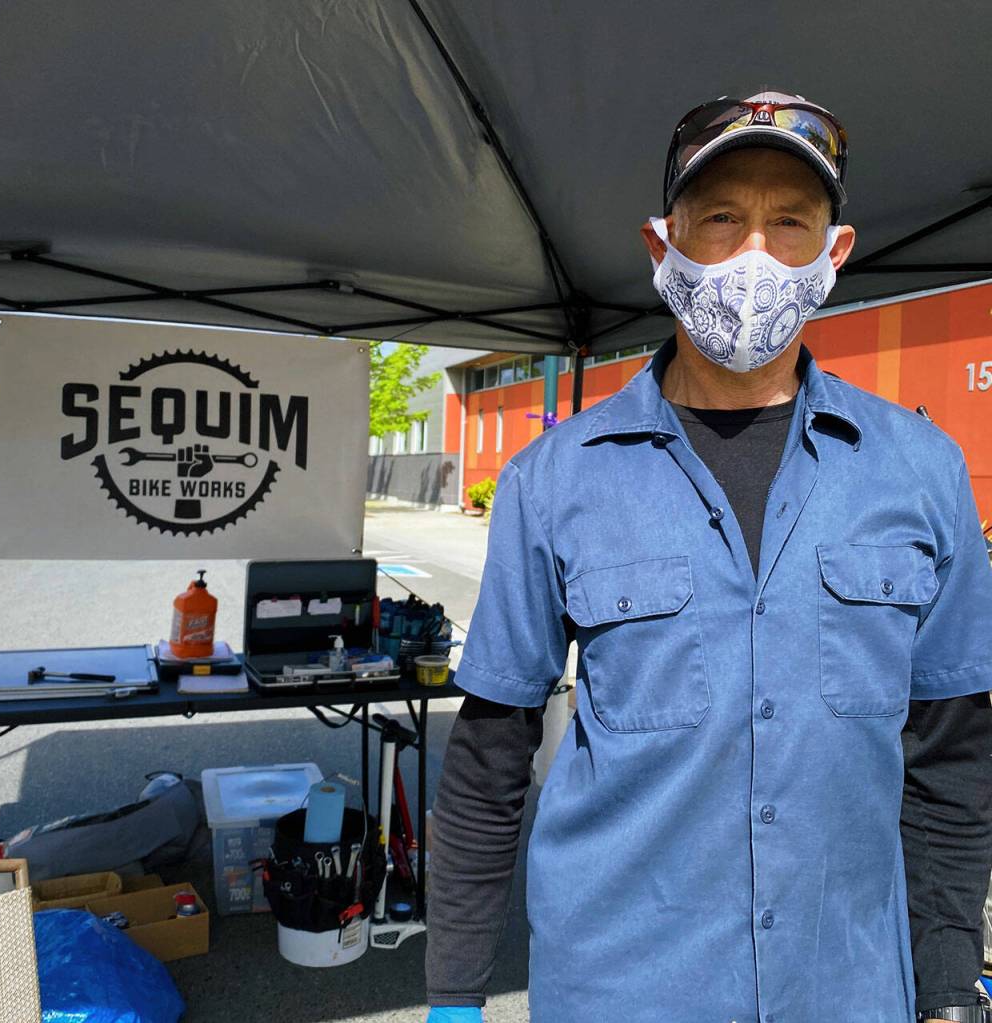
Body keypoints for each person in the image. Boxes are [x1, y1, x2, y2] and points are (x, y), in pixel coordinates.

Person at [423, 92, 992, 1023]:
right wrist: (453, 995)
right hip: (621, 988)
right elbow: (490, 757)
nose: (755, 253)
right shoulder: (554, 480)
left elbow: (953, 762)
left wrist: (947, 991)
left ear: (833, 257)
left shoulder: (919, 469)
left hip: (844, 986)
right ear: (664, 246)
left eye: (790, 222)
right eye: (722, 219)